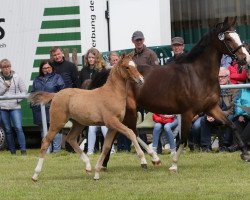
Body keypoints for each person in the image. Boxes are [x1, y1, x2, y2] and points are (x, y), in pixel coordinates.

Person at [79, 48, 115, 155]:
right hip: (88, 102)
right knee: (91, 128)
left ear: (97, 58)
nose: (91, 59)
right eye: (89, 57)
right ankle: (90, 151)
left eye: (93, 57)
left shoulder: (102, 70)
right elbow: (80, 86)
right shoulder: (83, 71)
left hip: (101, 102)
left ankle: (111, 149)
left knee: (104, 127)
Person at [130, 31, 159, 144]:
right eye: (137, 40)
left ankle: (157, 145)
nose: (139, 42)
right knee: (137, 117)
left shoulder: (151, 54)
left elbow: (157, 72)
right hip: (135, 92)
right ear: (132, 41)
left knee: (154, 117)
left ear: (144, 40)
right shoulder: (131, 56)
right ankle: (142, 144)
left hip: (149, 92)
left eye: (140, 39)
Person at [200, 67, 238, 152]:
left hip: (229, 114)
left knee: (228, 119)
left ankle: (224, 146)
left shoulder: (235, 88)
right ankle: (206, 147)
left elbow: (232, 109)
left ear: (228, 77)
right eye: (218, 77)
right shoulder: (213, 88)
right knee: (204, 120)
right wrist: (210, 114)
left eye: (223, 77)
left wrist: (218, 115)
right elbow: (209, 105)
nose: (220, 79)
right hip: (216, 114)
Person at [31, 60, 65, 153]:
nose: (46, 69)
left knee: (56, 129)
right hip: (40, 110)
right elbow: (33, 93)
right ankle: (47, 150)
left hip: (54, 108)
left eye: (48, 67)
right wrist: (33, 106)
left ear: (52, 68)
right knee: (44, 130)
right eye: (44, 68)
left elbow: (62, 92)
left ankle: (56, 151)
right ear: (41, 69)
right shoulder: (36, 79)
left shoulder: (58, 78)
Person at [50, 46, 80, 151]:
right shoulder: (50, 67)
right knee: (56, 124)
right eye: (54, 55)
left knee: (75, 122)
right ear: (52, 56)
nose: (57, 56)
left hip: (71, 100)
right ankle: (56, 149)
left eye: (58, 54)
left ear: (61, 53)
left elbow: (76, 82)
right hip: (56, 99)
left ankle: (71, 147)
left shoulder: (70, 66)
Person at [0, 59, 27, 155]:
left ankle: (23, 151)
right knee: (7, 130)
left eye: (8, 67)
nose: (6, 69)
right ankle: (13, 152)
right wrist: (5, 86)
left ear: (10, 67)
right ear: (1, 68)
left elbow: (24, 92)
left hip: (15, 107)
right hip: (3, 108)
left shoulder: (17, 77)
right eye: (4, 67)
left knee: (18, 128)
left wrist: (17, 100)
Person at [228, 69, 250, 152]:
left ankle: (237, 145)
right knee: (237, 123)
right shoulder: (243, 89)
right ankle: (241, 146)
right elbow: (238, 102)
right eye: (248, 73)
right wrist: (240, 114)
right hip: (245, 114)